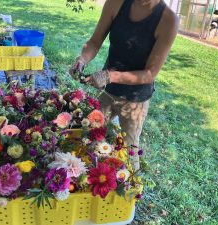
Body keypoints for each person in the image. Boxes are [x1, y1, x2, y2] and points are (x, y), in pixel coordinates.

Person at [70, 0, 178, 170]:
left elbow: (149, 74)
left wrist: (109, 75)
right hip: (109, 90)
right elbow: (94, 42)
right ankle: (86, 179)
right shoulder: (116, 3)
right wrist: (82, 59)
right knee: (89, 133)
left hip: (135, 98)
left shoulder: (168, 19)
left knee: (129, 150)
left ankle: (130, 193)